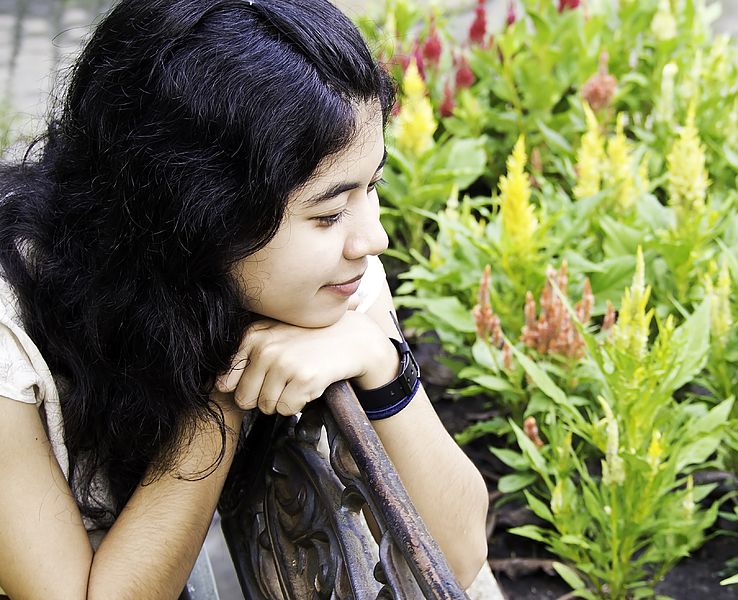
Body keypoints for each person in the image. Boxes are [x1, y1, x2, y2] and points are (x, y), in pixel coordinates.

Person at [0, 0, 489, 597]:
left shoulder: (331, 274)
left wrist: (383, 363)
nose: (373, 238)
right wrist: (225, 398)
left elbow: (460, 560)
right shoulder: (11, 335)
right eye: (330, 211)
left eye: (374, 185)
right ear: (200, 220)